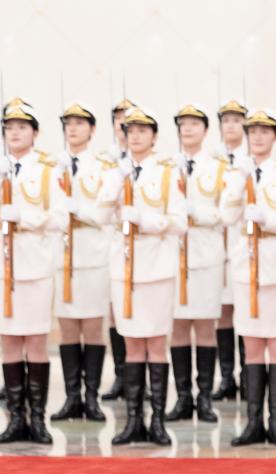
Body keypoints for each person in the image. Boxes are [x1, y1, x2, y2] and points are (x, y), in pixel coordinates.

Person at [99, 106, 187, 446]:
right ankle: (134, 421)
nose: (134, 135)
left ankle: (158, 423)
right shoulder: (116, 171)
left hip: (158, 266)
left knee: (155, 345)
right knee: (132, 344)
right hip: (125, 270)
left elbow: (179, 223)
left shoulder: (167, 173)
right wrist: (114, 182)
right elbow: (100, 214)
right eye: (129, 130)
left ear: (154, 136)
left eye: (141, 130)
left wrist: (145, 221)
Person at [219, 107, 276, 447]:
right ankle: (253, 422)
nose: (257, 136)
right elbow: (226, 216)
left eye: (264, 131)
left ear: (274, 137)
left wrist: (269, 220)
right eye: (252, 131)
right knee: (252, 345)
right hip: (246, 266)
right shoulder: (235, 173)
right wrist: (238, 185)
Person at [0, 101, 68, 444]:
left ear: (35, 133)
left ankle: (37, 419)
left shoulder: (48, 170)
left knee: (36, 341)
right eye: (9, 126)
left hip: (35, 263)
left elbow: (61, 217)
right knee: (9, 341)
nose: (14, 132)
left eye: (22, 127)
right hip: (2, 267)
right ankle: (15, 418)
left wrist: (24, 218)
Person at [166, 104, 226, 425]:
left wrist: (197, 213)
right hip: (173, 256)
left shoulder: (218, 167)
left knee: (204, 326)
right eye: (182, 124)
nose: (187, 129)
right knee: (177, 327)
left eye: (194, 124)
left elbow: (227, 213)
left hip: (206, 254)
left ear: (205, 130)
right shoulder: (166, 167)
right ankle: (182, 397)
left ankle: (204, 397)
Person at [50, 102, 108, 423]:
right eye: (68, 124)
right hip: (61, 257)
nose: (72, 129)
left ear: (92, 129)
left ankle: (91, 398)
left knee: (93, 327)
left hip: (92, 256)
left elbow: (105, 212)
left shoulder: (102, 167)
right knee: (68, 327)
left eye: (79, 123)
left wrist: (78, 212)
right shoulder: (52, 166)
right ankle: (72, 397)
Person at [210, 99, 249, 403]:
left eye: (237, 121)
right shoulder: (211, 161)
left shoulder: (253, 161)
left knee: (246, 310)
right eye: (226, 121)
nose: (231, 126)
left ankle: (249, 376)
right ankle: (226, 377)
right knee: (222, 311)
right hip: (214, 243)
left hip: (244, 243)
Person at [99, 97, 135, 402]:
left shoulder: (151, 160)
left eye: (130, 122)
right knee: (114, 314)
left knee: (137, 313)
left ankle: (137, 380)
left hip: (141, 245)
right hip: (111, 241)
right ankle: (120, 374)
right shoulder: (104, 160)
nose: (125, 128)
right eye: (120, 122)